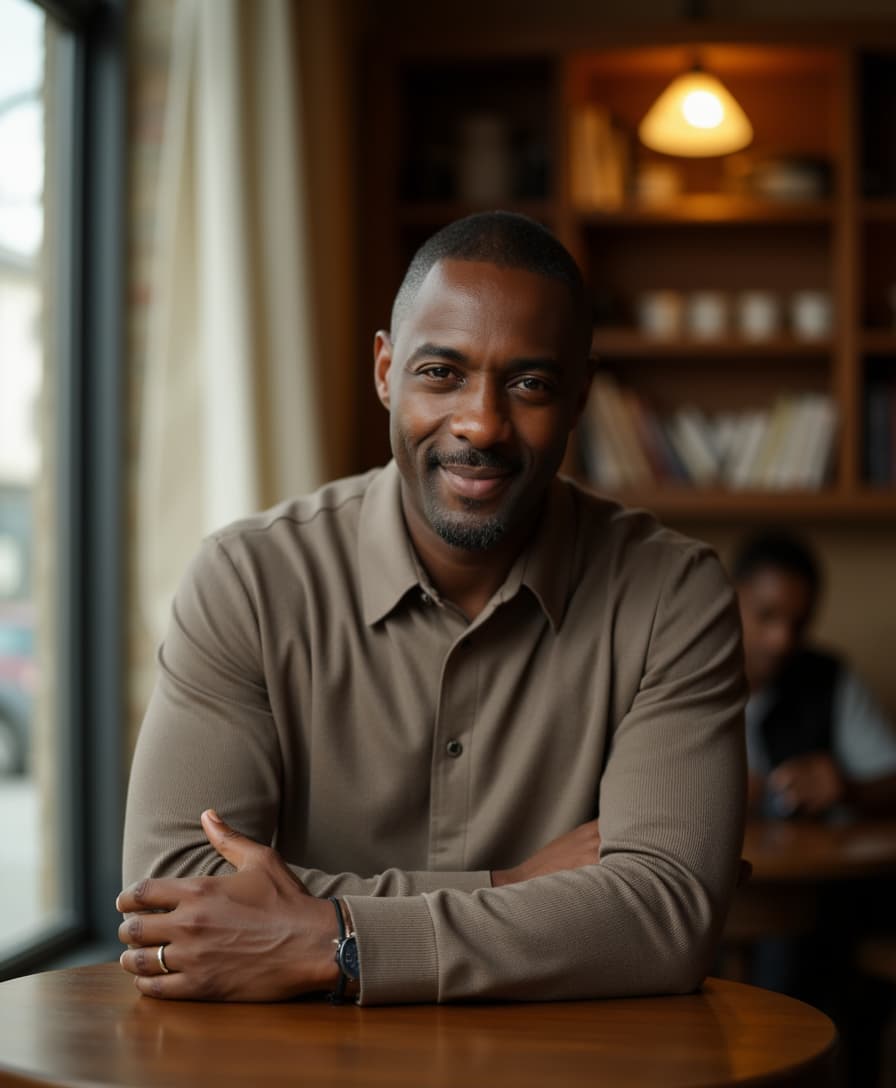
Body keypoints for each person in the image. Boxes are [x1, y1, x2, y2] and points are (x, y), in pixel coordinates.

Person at [118, 211, 747, 1005]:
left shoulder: (672, 596)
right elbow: (172, 895)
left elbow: (665, 914)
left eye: (530, 383)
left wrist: (335, 938)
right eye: (441, 372)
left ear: (582, 394)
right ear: (385, 370)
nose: (482, 423)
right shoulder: (246, 580)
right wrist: (510, 884)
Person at [733, 529, 896, 820]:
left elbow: (888, 780)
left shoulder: (829, 677)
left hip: (808, 862)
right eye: (766, 615)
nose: (781, 640)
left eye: (798, 623)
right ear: (729, 600)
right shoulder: (679, 674)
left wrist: (847, 788)